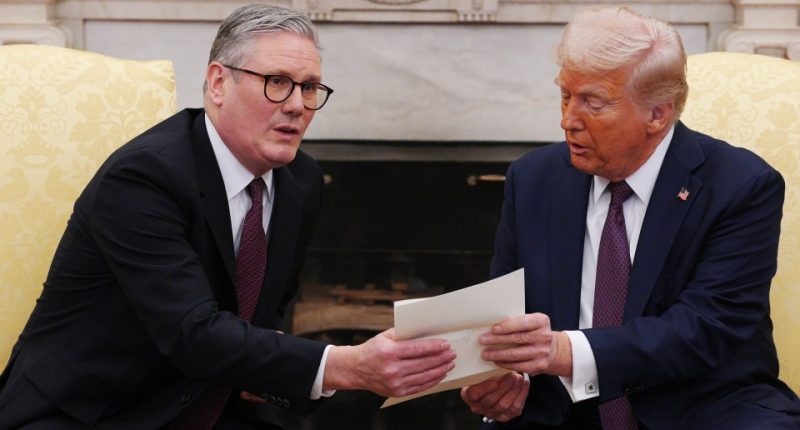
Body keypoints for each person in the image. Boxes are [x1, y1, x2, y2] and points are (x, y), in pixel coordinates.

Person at [0, 4, 455, 429]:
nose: (297, 104)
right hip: (92, 412)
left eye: (310, 87)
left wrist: (271, 371)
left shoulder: (301, 181)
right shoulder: (145, 177)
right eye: (276, 81)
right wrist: (346, 365)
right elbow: (192, 332)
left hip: (206, 406)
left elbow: (262, 317)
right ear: (218, 83)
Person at [461, 6, 800, 430]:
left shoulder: (739, 186)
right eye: (565, 95)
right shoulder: (533, 180)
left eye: (593, 102)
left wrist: (564, 352)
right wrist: (502, 375)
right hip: (561, 411)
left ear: (657, 114)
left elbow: (705, 328)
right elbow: (506, 315)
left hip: (699, 407)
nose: (568, 120)